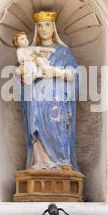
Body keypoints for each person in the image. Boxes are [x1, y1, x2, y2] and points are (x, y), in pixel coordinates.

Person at [18, 11, 80, 171]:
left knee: (57, 122)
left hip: (56, 96)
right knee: (35, 124)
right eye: (40, 25)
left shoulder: (63, 51)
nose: (44, 29)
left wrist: (58, 72)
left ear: (53, 27)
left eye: (47, 25)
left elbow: (75, 73)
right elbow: (23, 76)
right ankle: (40, 162)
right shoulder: (30, 52)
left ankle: (63, 160)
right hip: (36, 96)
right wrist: (23, 75)